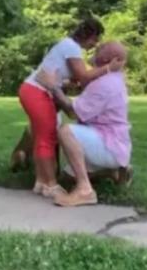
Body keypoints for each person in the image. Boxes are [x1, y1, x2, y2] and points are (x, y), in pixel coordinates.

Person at [16, 17, 124, 198]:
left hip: (36, 91)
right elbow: (83, 76)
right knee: (47, 136)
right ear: (88, 35)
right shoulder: (72, 47)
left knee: (43, 135)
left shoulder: (68, 45)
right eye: (95, 39)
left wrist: (67, 83)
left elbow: (71, 79)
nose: (95, 44)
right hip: (37, 92)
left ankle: (41, 183)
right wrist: (108, 68)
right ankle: (50, 185)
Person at [36, 41, 132, 207]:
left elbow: (73, 112)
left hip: (109, 145)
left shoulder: (106, 84)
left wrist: (53, 87)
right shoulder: (110, 78)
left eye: (102, 48)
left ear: (110, 59)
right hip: (111, 143)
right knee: (67, 177)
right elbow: (87, 89)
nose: (97, 48)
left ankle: (85, 190)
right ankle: (113, 172)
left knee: (66, 131)